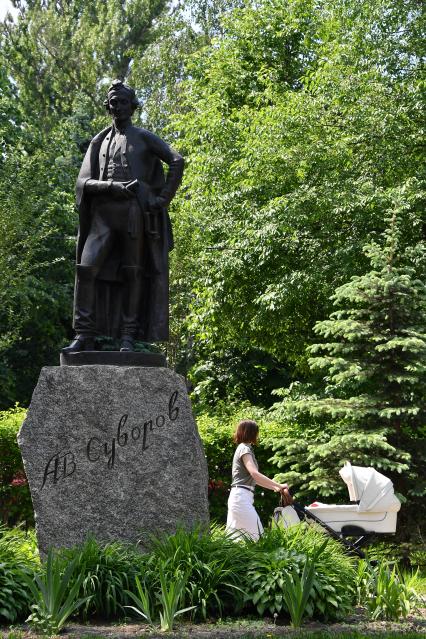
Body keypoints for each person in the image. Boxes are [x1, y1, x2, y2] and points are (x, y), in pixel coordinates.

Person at [63, 79, 184, 353]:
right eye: (113, 102)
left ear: (133, 106)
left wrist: (162, 199)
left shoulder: (143, 137)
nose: (118, 106)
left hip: (133, 214)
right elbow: (83, 183)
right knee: (86, 267)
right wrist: (110, 187)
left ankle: (129, 336)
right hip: (103, 215)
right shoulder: (99, 140)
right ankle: (84, 334)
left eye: (123, 102)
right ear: (108, 106)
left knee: (133, 272)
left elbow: (177, 160)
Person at [226, 419, 289, 541]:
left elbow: (255, 479)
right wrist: (278, 485)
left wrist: (275, 487)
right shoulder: (244, 449)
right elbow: (254, 473)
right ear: (252, 433)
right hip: (241, 498)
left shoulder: (245, 448)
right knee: (258, 536)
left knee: (236, 541)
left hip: (241, 497)